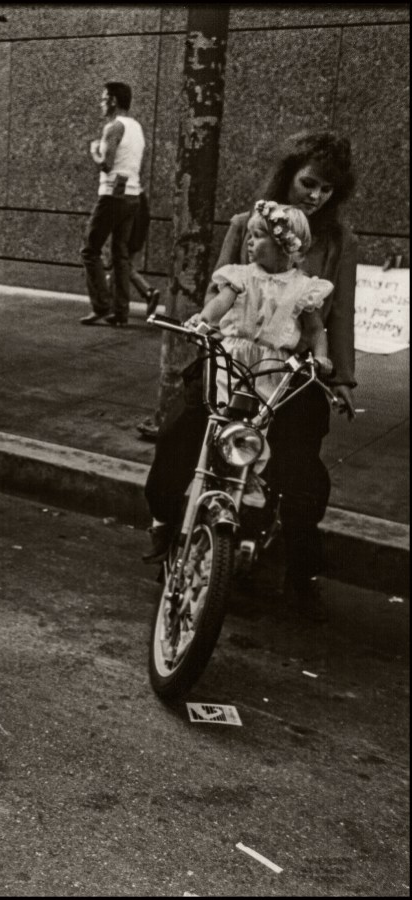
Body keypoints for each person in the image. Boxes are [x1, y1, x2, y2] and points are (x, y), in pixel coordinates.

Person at [142, 201, 336, 615]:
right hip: (229, 363)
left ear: (285, 244)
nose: (249, 242)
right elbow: (221, 303)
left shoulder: (305, 288)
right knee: (203, 424)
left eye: (259, 236)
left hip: (272, 370)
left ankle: (250, 492)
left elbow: (317, 329)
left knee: (260, 437)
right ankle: (175, 518)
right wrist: (203, 321)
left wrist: (321, 358)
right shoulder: (241, 278)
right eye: (249, 234)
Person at [199, 131, 358, 613]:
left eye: (327, 190)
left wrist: (340, 378)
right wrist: (204, 340)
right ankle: (174, 532)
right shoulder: (246, 223)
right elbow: (218, 293)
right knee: (188, 431)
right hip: (233, 356)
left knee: (303, 466)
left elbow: (339, 314)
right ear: (288, 175)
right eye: (309, 183)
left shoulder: (338, 240)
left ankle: (301, 567)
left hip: (295, 368)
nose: (315, 196)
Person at [80, 81, 146, 327]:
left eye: (103, 98)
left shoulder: (113, 127)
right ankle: (120, 313)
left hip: (112, 195)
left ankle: (101, 306)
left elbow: (106, 164)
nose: (101, 103)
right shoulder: (136, 128)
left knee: (90, 248)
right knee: (120, 254)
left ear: (113, 101)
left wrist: (94, 151)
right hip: (132, 195)